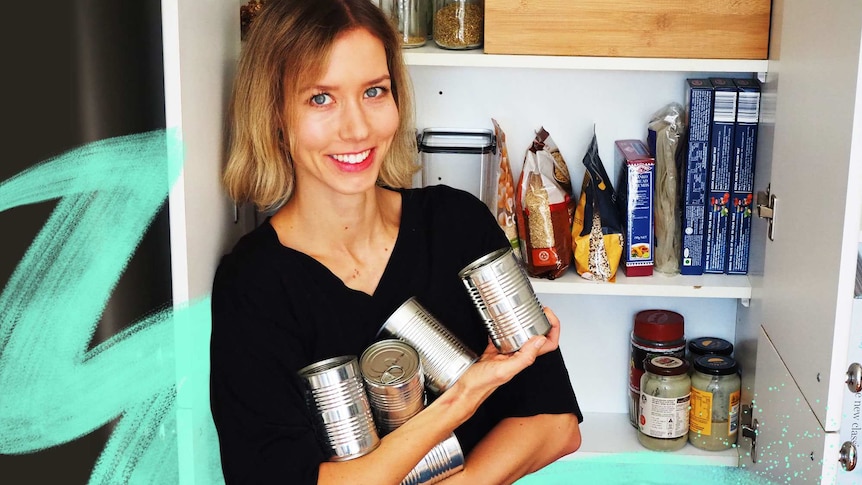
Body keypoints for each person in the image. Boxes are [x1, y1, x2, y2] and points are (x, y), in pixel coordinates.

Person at [209, 0, 583, 483]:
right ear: (275, 113)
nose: (357, 128)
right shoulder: (254, 286)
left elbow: (555, 424)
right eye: (320, 98)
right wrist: (460, 397)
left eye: (374, 91)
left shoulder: (457, 224)